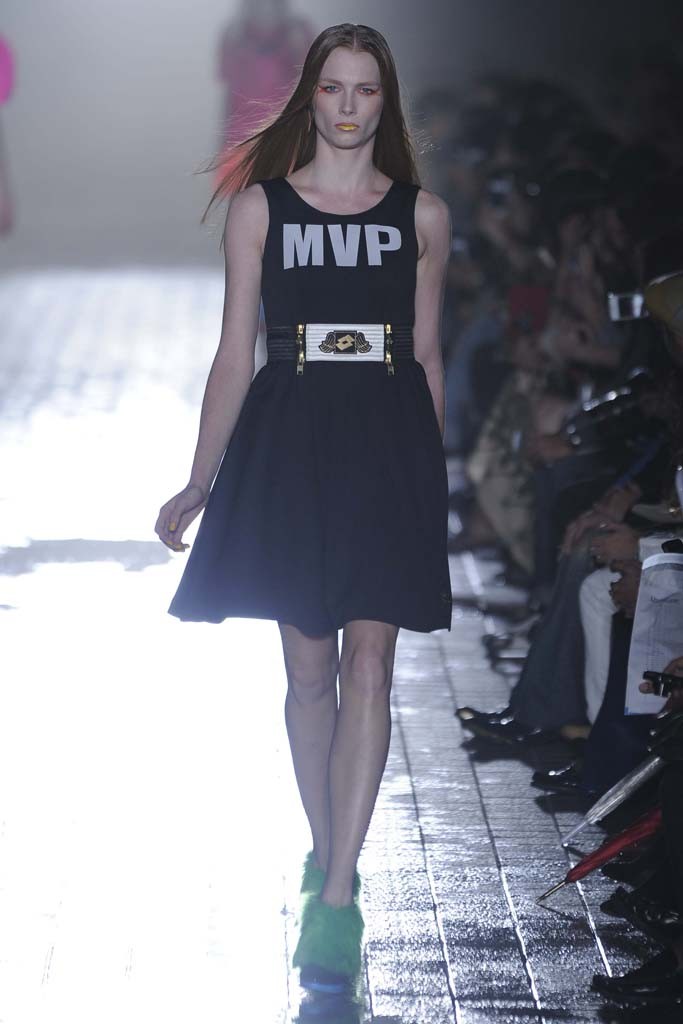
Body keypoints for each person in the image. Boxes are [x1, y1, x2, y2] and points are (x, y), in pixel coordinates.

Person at [154, 23, 452, 996]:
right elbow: (233, 350)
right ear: (309, 96)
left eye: (366, 89)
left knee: (371, 665)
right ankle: (331, 855)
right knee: (309, 669)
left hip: (385, 438)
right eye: (333, 87)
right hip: (290, 435)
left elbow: (427, 355)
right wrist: (199, 479)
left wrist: (430, 479)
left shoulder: (422, 216)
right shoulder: (260, 210)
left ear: (385, 100)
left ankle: (333, 895)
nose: (349, 106)